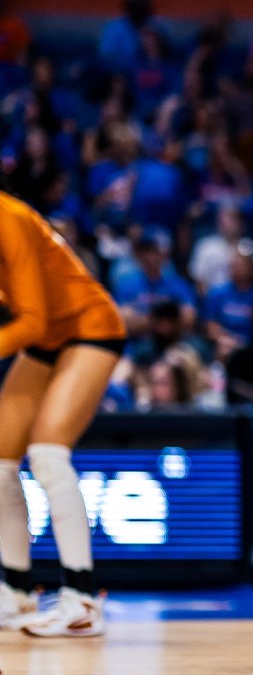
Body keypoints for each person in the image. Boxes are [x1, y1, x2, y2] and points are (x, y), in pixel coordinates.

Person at [0, 184, 125, 636]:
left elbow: (31, 318)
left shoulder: (8, 217)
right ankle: (14, 593)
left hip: (91, 328)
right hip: (45, 340)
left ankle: (83, 600)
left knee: (48, 456)